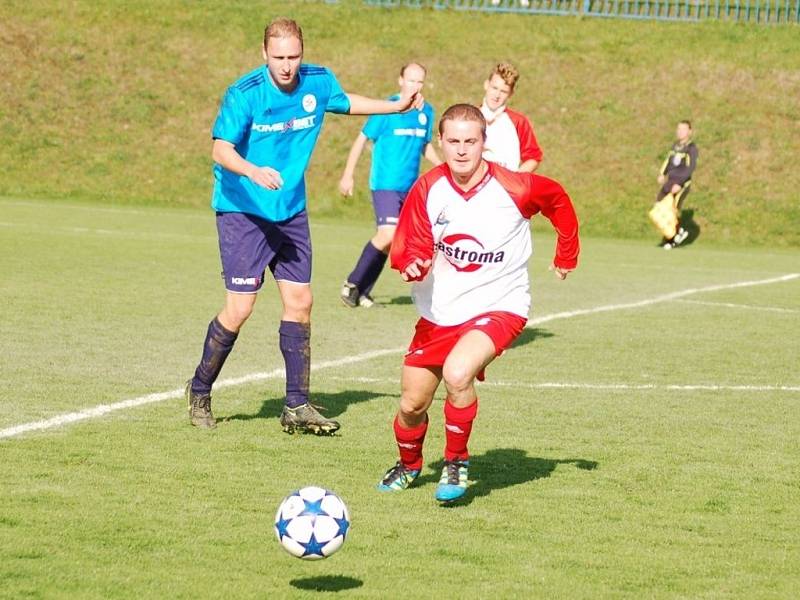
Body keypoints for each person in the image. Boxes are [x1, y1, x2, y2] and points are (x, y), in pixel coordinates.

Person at [185, 17, 423, 434]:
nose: (286, 65)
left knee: (301, 302)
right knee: (240, 308)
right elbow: (220, 149)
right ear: (264, 54)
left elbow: (346, 102)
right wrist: (252, 170)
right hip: (243, 211)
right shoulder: (245, 94)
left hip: (290, 210)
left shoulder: (317, 81)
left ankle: (296, 405)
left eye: (293, 56)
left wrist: (396, 105)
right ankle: (200, 388)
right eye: (278, 57)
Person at [376, 104, 579, 503]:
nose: (462, 150)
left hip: (500, 304)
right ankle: (410, 464)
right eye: (454, 141)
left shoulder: (515, 187)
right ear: (440, 142)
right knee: (412, 403)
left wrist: (566, 254)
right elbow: (408, 244)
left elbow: (558, 201)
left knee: (457, 373)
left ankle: (456, 462)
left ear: (484, 143)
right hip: (439, 311)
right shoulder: (428, 188)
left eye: (471, 141)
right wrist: (412, 264)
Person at [338, 63, 441, 308]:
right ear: (400, 80)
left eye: (420, 81)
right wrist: (348, 174)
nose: (415, 86)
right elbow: (362, 138)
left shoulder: (427, 112)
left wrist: (444, 167)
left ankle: (362, 291)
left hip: (409, 189)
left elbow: (424, 145)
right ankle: (352, 283)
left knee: (392, 241)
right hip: (385, 184)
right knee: (388, 234)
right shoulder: (387, 109)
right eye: (411, 80)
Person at [479, 62, 543, 173]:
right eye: (494, 88)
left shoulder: (518, 122)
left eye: (503, 91)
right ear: (486, 85)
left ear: (511, 93)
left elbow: (533, 157)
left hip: (506, 188)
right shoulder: (468, 117)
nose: (497, 95)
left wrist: (515, 179)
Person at [656, 120, 698, 249]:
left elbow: (690, 168)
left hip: (681, 184)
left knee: (672, 209)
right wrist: (662, 174)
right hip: (670, 182)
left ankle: (674, 237)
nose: (680, 132)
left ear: (690, 132)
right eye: (678, 129)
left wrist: (679, 183)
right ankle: (671, 233)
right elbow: (668, 160)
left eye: (683, 129)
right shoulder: (675, 146)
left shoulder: (691, 148)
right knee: (659, 207)